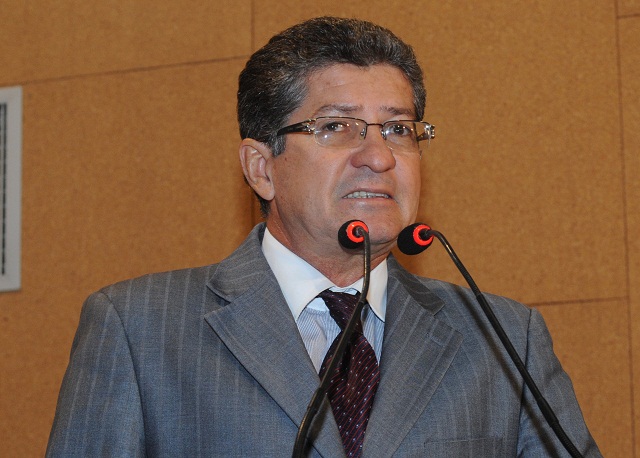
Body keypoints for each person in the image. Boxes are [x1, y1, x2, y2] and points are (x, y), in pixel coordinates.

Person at [47, 16, 601, 457]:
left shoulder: (504, 339)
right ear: (261, 168)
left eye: (399, 129)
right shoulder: (138, 329)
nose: (379, 157)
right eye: (336, 127)